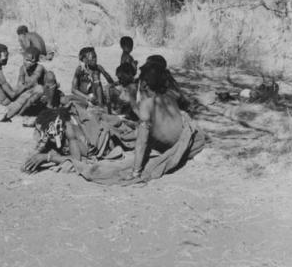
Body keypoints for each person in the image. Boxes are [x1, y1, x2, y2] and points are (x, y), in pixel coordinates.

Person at [70, 60, 205, 185]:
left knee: (126, 139)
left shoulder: (147, 105)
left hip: (169, 145)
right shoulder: (170, 94)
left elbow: (141, 142)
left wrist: (136, 171)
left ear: (144, 84)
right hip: (186, 139)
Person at [21, 104, 136, 174]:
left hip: (97, 138)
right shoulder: (56, 131)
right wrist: (37, 153)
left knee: (122, 128)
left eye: (45, 133)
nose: (42, 136)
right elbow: (42, 144)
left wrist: (47, 157)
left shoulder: (69, 131)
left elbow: (76, 160)